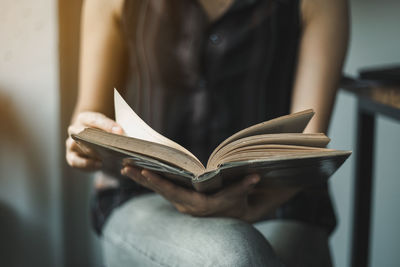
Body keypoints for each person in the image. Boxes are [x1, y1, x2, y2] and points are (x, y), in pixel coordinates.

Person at [66, 0, 349, 266]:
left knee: (242, 254)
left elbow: (307, 149)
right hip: (141, 194)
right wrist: (84, 139)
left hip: (279, 201)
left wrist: (252, 208)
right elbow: (89, 114)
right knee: (237, 254)